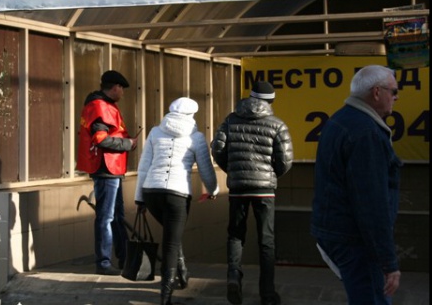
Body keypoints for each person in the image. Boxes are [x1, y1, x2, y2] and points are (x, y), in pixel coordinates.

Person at [310, 65, 402, 304]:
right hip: (356, 239)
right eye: (393, 91)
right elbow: (372, 203)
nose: (396, 97)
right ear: (376, 92)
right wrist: (388, 262)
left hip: (338, 232)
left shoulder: (340, 120)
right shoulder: (366, 133)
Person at [211, 81, 293, 305]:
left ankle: (233, 278)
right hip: (264, 190)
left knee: (235, 235)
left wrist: (233, 170)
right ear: (270, 101)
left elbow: (217, 149)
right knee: (266, 240)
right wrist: (270, 175)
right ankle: (267, 293)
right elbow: (286, 160)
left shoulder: (230, 120)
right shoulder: (277, 124)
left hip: (237, 188)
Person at [134, 97, 220, 305]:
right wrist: (213, 190)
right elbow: (206, 170)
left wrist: (139, 199)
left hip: (151, 192)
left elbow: (144, 166)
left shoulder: (155, 132)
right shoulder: (196, 137)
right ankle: (166, 296)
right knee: (171, 243)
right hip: (177, 194)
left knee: (172, 233)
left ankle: (182, 273)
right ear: (192, 115)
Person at [76, 70, 138, 275]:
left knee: (117, 216)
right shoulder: (100, 106)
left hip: (113, 168)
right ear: (115, 87)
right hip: (106, 168)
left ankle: (123, 258)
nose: (123, 93)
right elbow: (101, 139)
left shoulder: (104, 105)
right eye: (121, 89)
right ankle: (103, 263)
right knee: (107, 217)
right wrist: (128, 144)